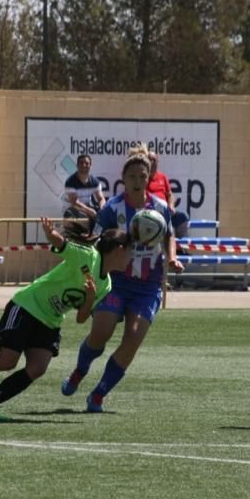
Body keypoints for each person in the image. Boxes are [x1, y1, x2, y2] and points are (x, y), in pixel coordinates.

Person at [0, 217, 131, 421]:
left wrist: (89, 297)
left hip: (50, 320)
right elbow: (61, 244)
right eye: (130, 252)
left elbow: (81, 319)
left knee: (37, 368)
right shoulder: (88, 257)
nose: (131, 257)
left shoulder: (106, 285)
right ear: (119, 249)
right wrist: (51, 235)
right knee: (6, 361)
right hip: (28, 305)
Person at [61, 145, 185, 412]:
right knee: (101, 334)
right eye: (133, 177)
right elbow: (95, 239)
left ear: (149, 177)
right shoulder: (113, 208)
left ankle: (99, 393)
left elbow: (168, 236)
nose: (138, 182)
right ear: (124, 179)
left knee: (133, 339)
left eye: (143, 176)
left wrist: (173, 257)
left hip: (148, 286)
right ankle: (80, 370)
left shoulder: (160, 208)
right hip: (116, 281)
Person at [147, 151, 190, 238]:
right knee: (167, 227)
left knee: (181, 217)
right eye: (149, 160)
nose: (152, 162)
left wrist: (171, 205)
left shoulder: (162, 177)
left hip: (166, 211)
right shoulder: (143, 177)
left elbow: (169, 194)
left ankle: (183, 249)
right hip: (151, 214)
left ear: (157, 162)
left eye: (154, 160)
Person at [62, 154, 105, 230]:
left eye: (87, 163)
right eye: (81, 163)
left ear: (90, 165)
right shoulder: (70, 181)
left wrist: (102, 209)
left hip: (87, 210)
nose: (84, 165)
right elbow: (74, 202)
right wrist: (90, 211)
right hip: (71, 211)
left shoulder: (94, 181)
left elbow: (101, 199)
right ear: (77, 165)